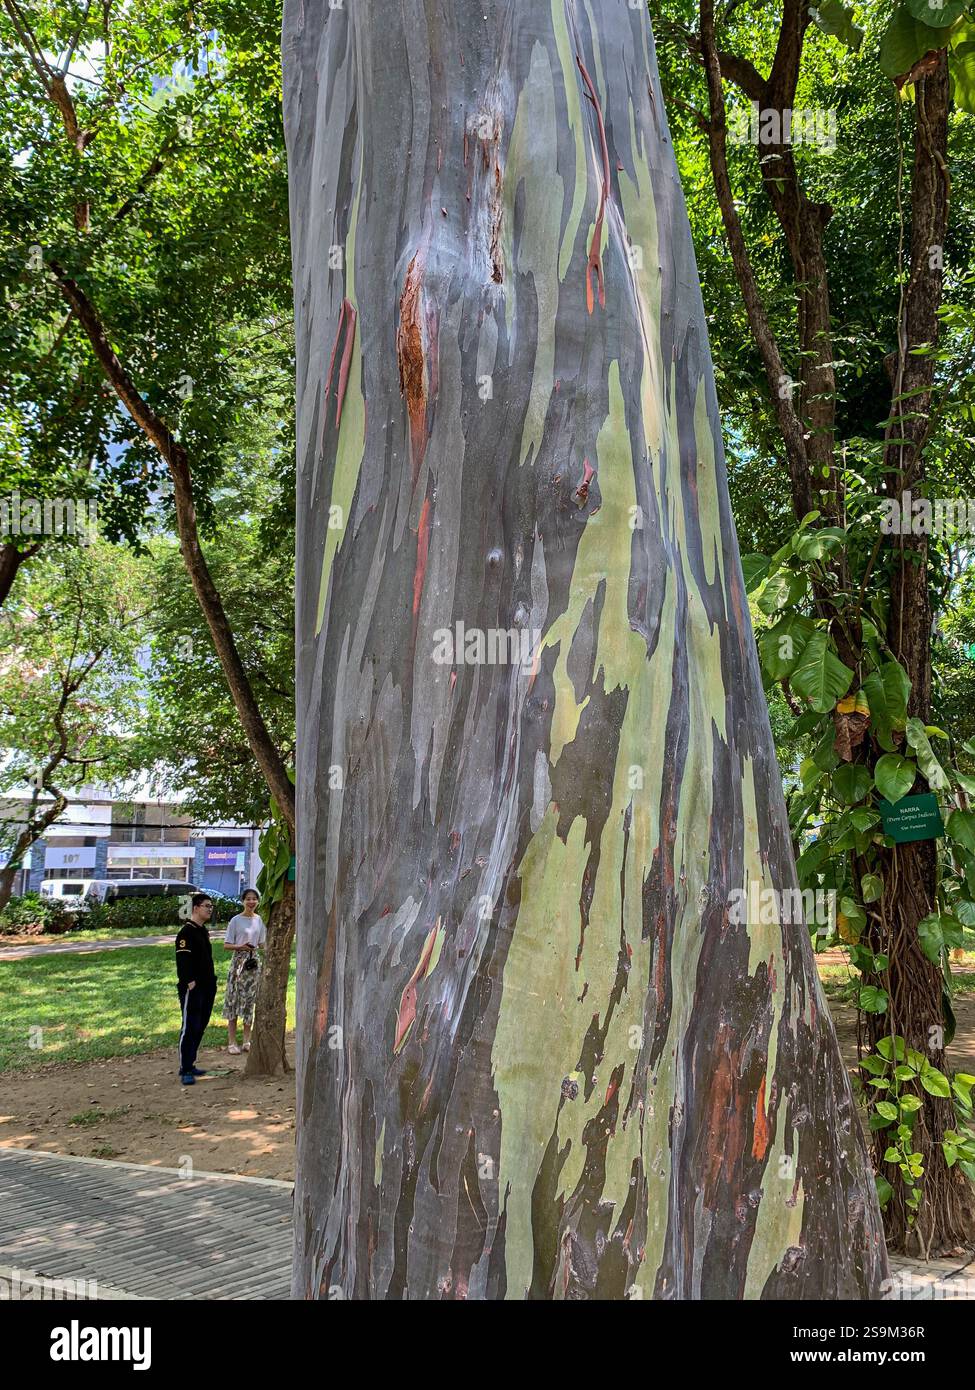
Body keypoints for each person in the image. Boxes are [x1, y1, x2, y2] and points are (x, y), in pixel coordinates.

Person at [175, 893, 216, 1085]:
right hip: (194, 988)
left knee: (201, 1025)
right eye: (207, 906)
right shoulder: (186, 932)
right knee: (190, 1026)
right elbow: (183, 962)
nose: (210, 909)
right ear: (196, 908)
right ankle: (185, 1069)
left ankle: (191, 1063)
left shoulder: (203, 931)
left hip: (208, 986)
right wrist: (190, 982)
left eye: (211, 906)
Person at [222, 888, 266, 1054]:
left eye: (254, 899)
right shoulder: (235, 921)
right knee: (234, 999)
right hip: (238, 963)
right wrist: (240, 947)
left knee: (249, 1000)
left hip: (253, 962)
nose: (251, 902)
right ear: (243, 901)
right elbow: (226, 945)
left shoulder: (259, 920)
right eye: (248, 899)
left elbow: (262, 943)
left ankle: (247, 1040)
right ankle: (232, 1041)